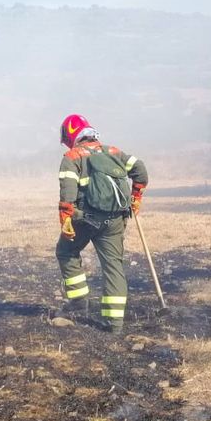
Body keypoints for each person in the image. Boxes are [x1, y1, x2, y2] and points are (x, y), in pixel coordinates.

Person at [55, 114, 148, 334]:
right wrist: (136, 196)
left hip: (85, 220)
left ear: (70, 136)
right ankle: (114, 325)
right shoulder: (113, 152)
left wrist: (66, 218)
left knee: (66, 251)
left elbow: (68, 190)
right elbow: (140, 170)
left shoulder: (72, 156)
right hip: (116, 220)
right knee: (113, 267)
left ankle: (78, 302)